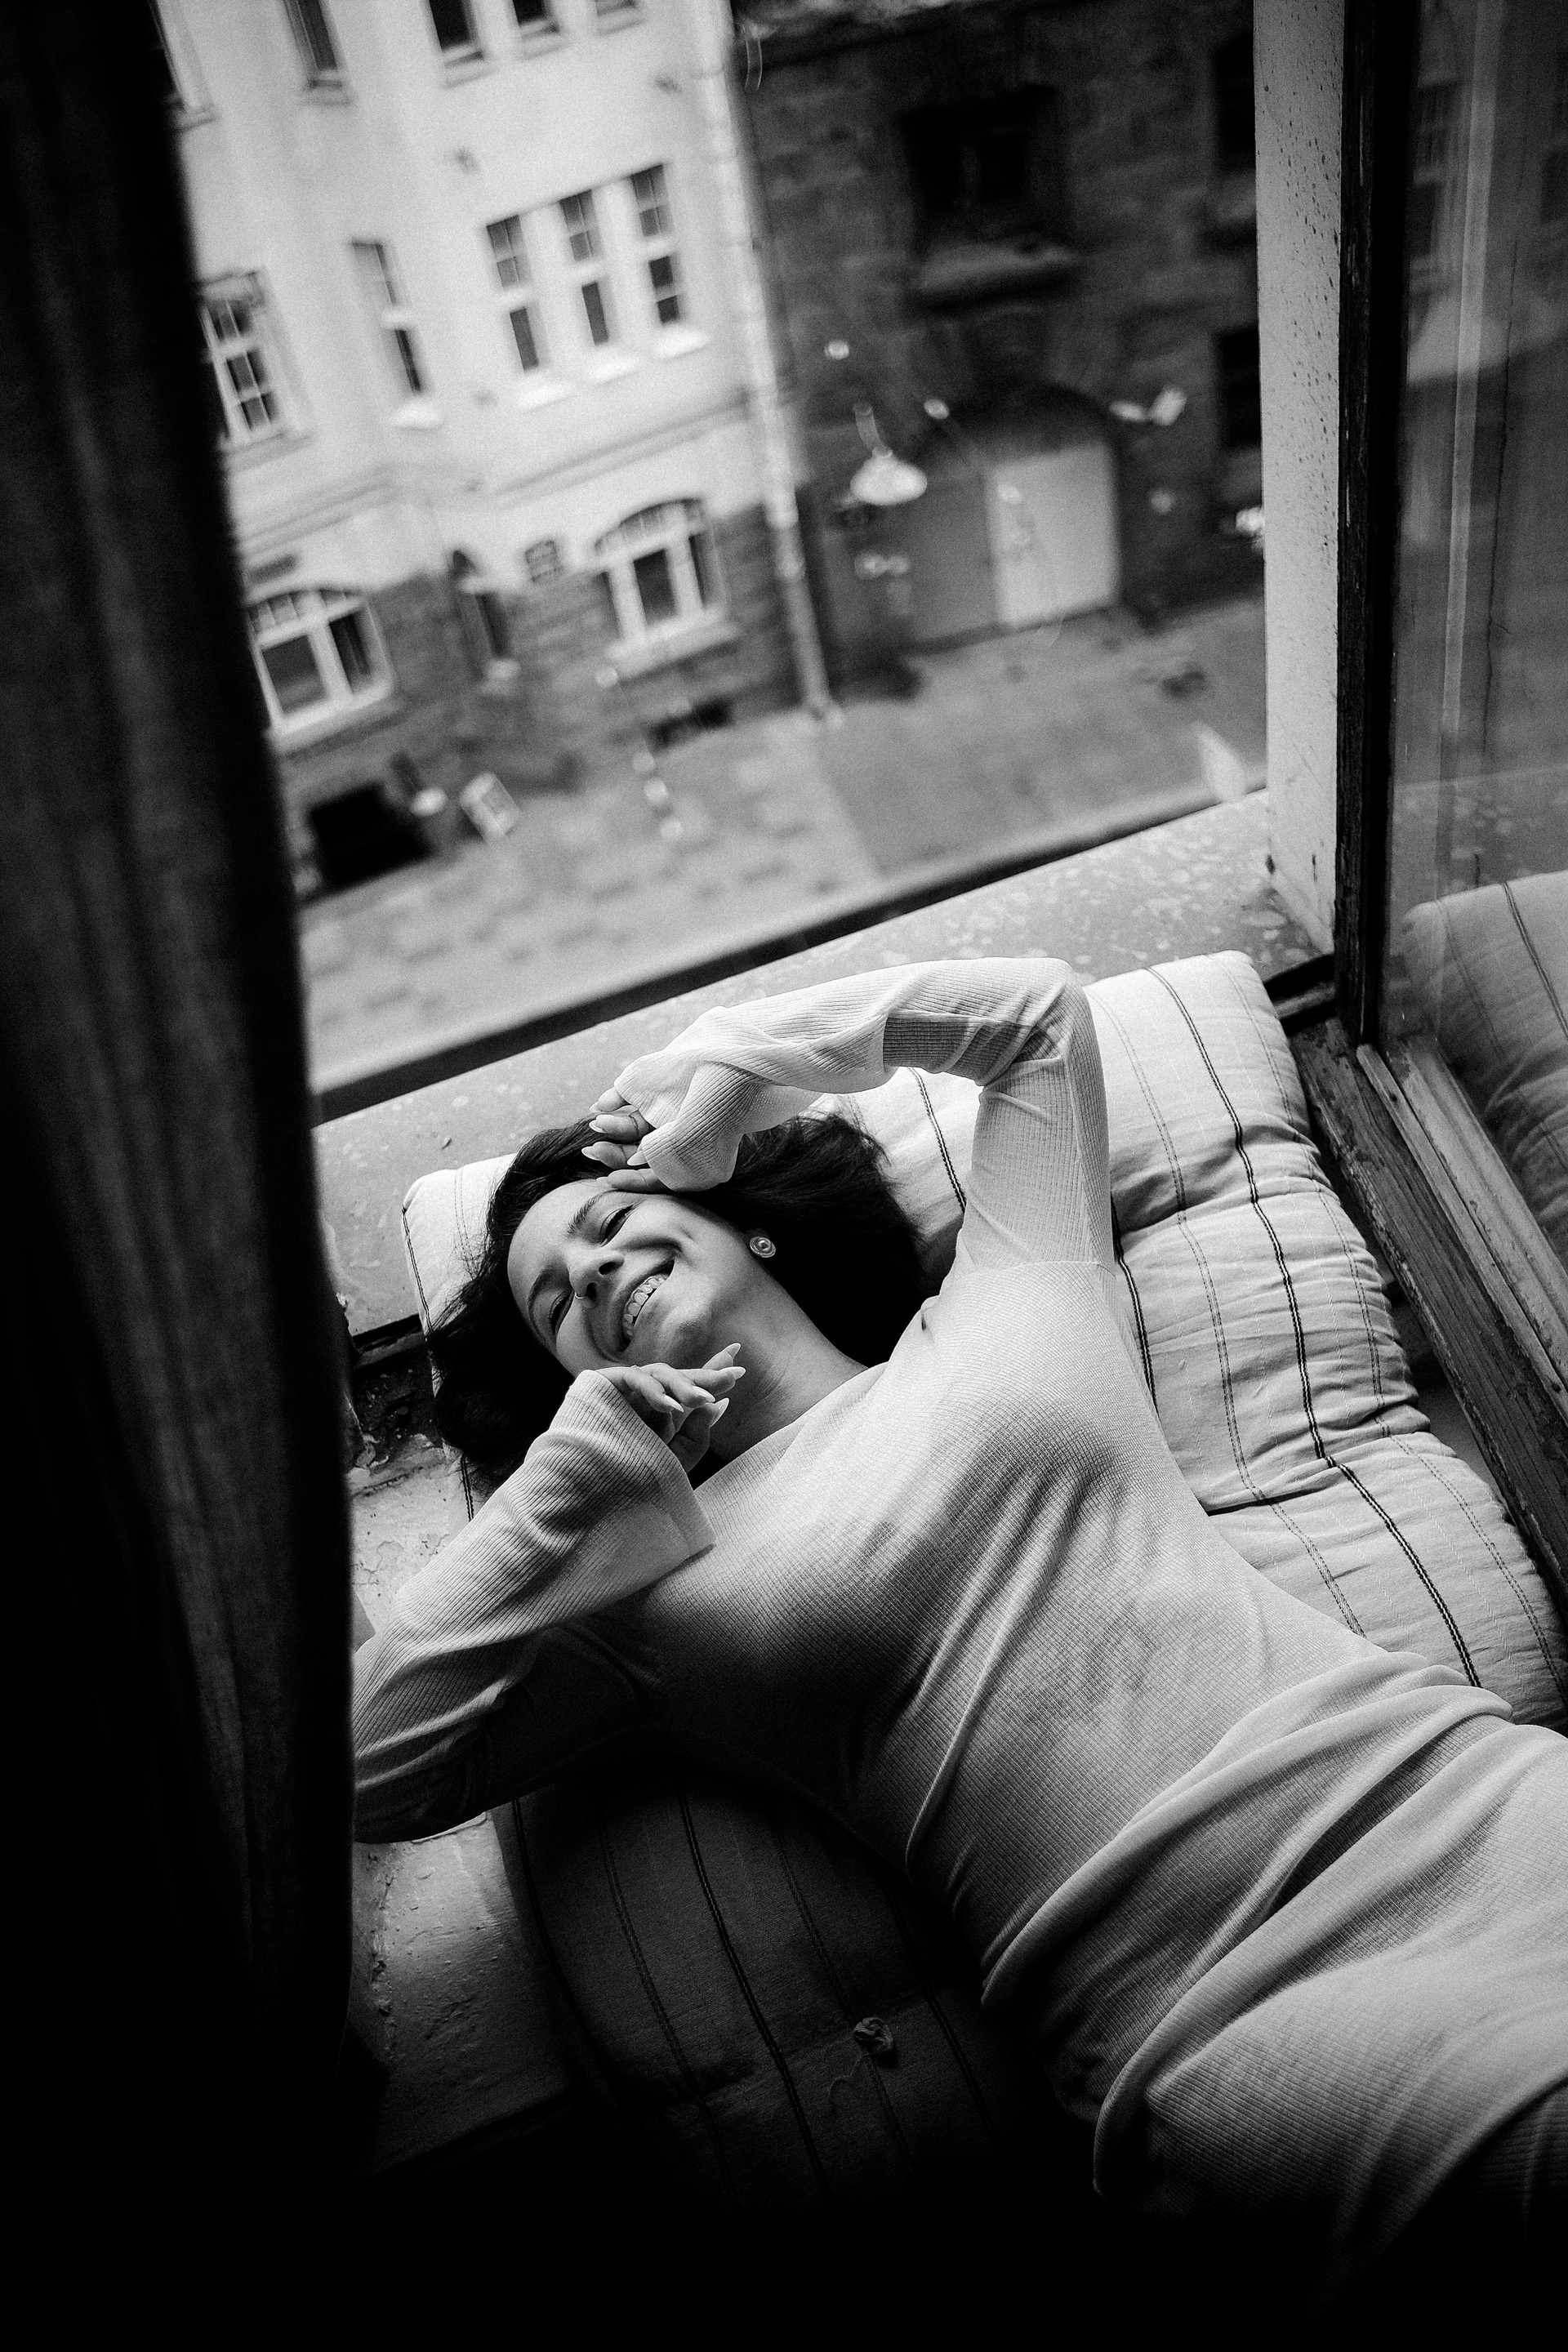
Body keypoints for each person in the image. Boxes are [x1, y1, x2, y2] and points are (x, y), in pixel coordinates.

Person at [353, 958, 1567, 2287]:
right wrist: (566, 1488)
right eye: (556, 1305)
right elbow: (363, 1766)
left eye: (610, 1218)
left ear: (739, 1220)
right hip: (1225, 2006)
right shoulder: (652, 1595)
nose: (593, 1271)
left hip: (1459, 1798)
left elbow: (1038, 1020)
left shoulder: (1008, 1297)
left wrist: (737, 1060)